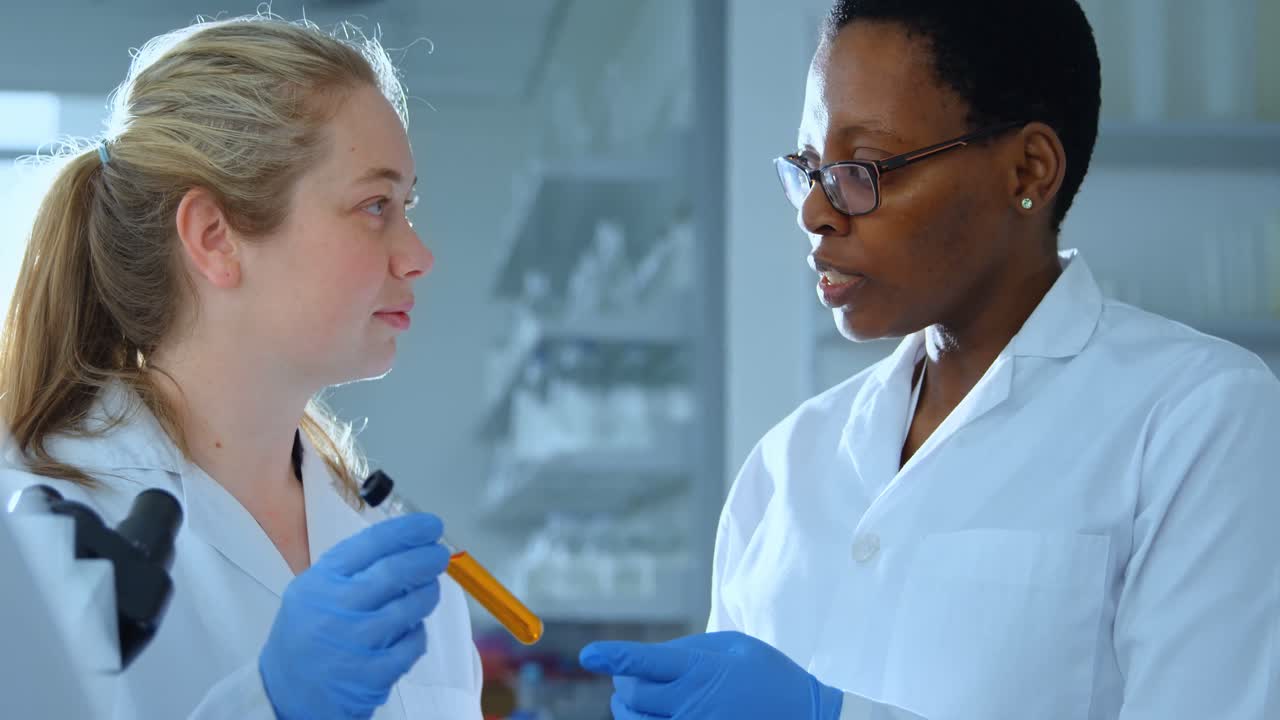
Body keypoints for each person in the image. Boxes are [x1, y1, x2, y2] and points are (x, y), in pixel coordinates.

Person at [579, 1, 1280, 718]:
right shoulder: (786, 467)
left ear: (1026, 170)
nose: (815, 213)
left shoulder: (1198, 418)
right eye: (810, 169)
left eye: (865, 168)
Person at [0, 14, 481, 719]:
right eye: (375, 205)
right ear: (215, 237)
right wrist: (268, 704)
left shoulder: (400, 566)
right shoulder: (30, 531)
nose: (417, 256)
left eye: (406, 205)